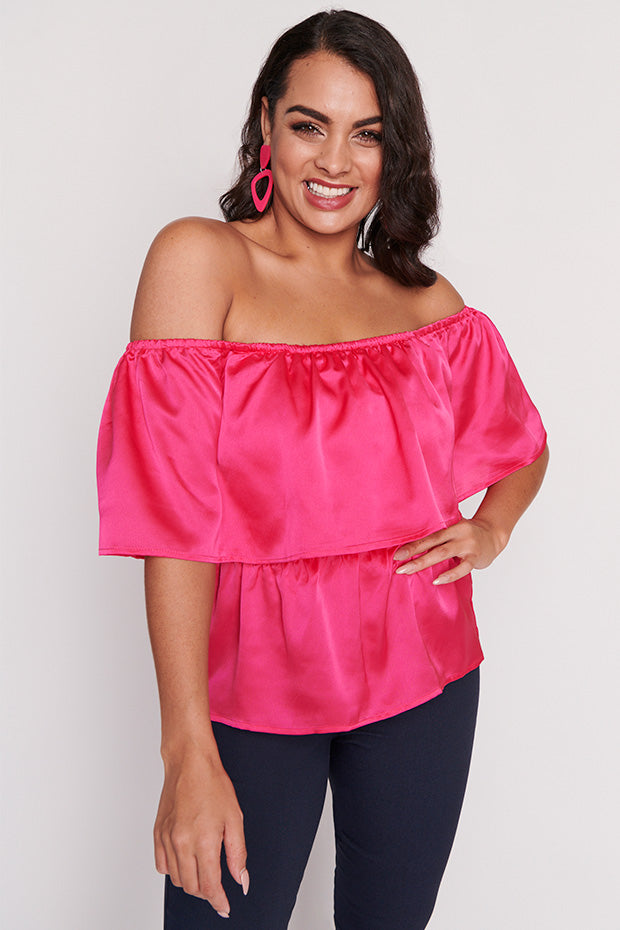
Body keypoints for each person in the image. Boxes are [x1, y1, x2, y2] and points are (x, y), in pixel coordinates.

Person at [96, 10, 549, 929]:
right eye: (311, 125)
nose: (335, 161)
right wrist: (187, 749)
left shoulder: (424, 303)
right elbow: (173, 520)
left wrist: (492, 527)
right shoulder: (200, 261)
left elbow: (524, 445)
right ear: (267, 123)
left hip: (424, 678)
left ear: (396, 150)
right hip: (252, 688)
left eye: (367, 134)